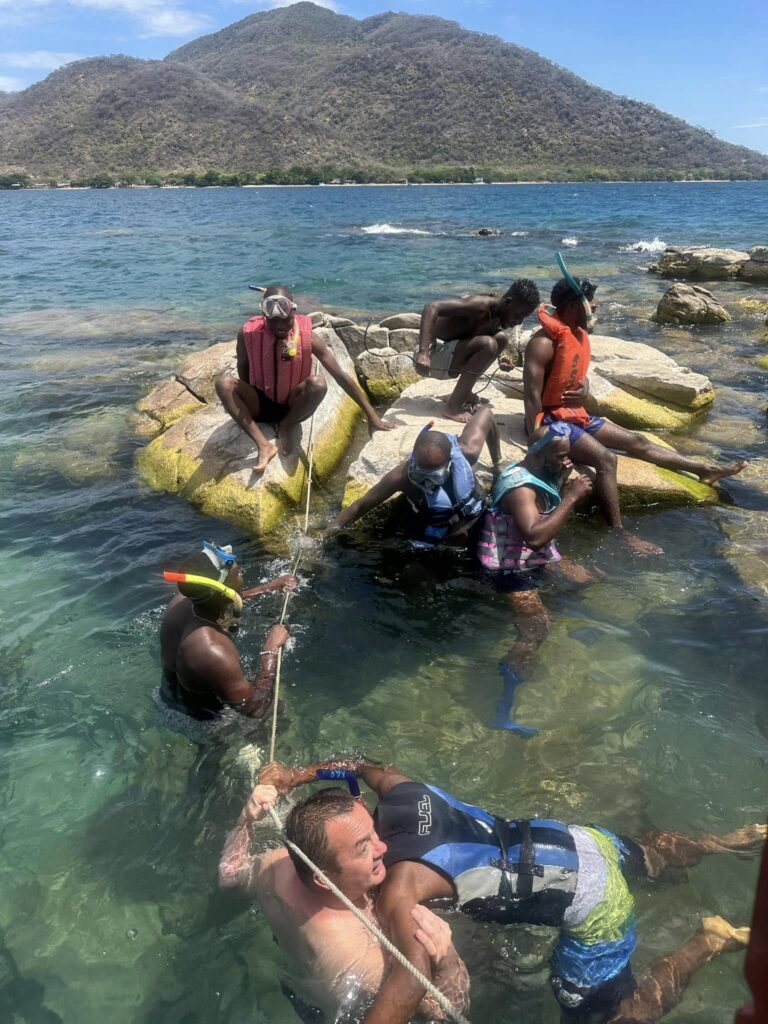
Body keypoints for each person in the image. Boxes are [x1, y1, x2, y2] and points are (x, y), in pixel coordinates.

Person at [259, 756, 765, 1024]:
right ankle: (720, 844)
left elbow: (408, 982)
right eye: (360, 850)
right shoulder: (403, 793)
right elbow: (361, 764)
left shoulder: (399, 887)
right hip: (579, 840)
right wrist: (295, 775)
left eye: (369, 841)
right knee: (652, 856)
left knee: (616, 1017)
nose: (376, 853)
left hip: (593, 899)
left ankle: (708, 941)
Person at [523, 270, 747, 556]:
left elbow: (580, 376)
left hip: (575, 413)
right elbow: (531, 396)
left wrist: (584, 390)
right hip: (554, 422)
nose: (597, 306)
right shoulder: (542, 344)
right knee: (607, 459)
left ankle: (704, 470)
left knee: (637, 441)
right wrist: (537, 442)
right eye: (592, 302)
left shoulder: (577, 335)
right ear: (571, 307)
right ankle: (619, 531)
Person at [218, 779, 470, 1023]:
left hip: (297, 982)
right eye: (363, 848)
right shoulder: (363, 961)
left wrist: (245, 822)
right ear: (324, 880)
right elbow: (445, 1014)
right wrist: (447, 964)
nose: (381, 847)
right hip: (331, 1008)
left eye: (372, 832)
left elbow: (230, 876)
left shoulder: (276, 865)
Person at [478, 423, 595, 734]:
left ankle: (549, 607)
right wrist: (571, 497)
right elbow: (534, 537)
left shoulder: (539, 471)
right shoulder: (520, 488)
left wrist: (562, 476)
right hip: (510, 566)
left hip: (532, 557)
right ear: (538, 452)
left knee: (588, 579)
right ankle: (506, 692)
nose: (566, 460)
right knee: (537, 630)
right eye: (560, 456)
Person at [216, 285, 394, 472]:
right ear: (264, 316)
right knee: (223, 383)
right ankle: (264, 445)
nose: (280, 327)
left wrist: (372, 415)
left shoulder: (309, 337)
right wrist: (245, 401)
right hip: (260, 404)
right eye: (273, 322)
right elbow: (242, 366)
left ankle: (286, 425)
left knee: (318, 383)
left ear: (294, 310)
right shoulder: (247, 334)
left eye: (285, 321)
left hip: (294, 405)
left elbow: (340, 376)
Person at [157, 539, 296, 743]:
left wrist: (268, 588)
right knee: (278, 709)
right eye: (238, 573)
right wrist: (270, 650)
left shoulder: (182, 602)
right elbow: (255, 708)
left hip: (169, 700)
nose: (242, 573)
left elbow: (219, 599)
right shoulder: (212, 650)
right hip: (205, 723)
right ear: (222, 590)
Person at [323, 408, 501, 548]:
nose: (427, 478)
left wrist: (497, 462)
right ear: (414, 460)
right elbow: (361, 505)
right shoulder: (402, 476)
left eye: (434, 472)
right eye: (422, 471)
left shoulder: (466, 451)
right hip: (432, 527)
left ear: (450, 460)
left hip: (471, 518)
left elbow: (486, 413)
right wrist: (324, 535)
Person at [414, 279, 540, 423]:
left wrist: (501, 359)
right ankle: (453, 407)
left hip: (449, 356)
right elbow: (431, 307)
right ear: (508, 302)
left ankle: (464, 393)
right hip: (432, 358)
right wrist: (423, 352)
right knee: (488, 344)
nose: (519, 322)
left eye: (523, 318)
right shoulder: (480, 306)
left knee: (502, 339)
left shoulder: (499, 314)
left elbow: (479, 333)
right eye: (518, 315)